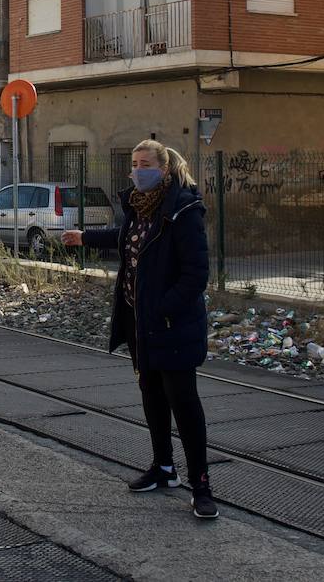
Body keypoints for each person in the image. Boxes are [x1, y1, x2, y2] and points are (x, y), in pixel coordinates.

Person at [63, 139, 217, 519]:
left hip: (171, 325)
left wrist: (163, 310)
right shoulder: (137, 207)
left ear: (163, 169)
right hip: (139, 323)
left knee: (184, 403)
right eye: (133, 164)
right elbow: (125, 239)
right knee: (152, 395)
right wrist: (84, 237)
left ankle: (201, 485)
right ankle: (163, 468)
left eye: (145, 164)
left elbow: (196, 275)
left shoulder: (183, 211)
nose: (137, 170)